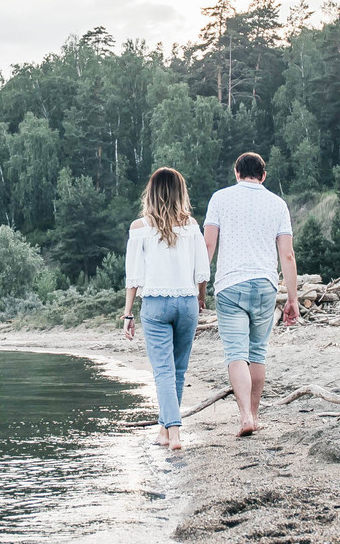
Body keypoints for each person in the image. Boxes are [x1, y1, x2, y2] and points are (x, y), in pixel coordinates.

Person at [204, 152, 299, 436]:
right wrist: (292, 298)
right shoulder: (278, 204)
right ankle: (255, 417)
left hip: (230, 285)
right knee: (257, 353)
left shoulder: (220, 199)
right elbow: (288, 254)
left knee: (236, 353)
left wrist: (198, 285)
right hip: (265, 285)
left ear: (236, 172)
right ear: (263, 175)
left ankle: (244, 415)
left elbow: (208, 246)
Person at [121, 166, 210, 449]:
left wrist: (128, 313)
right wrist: (201, 299)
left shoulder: (139, 228)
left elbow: (133, 276)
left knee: (163, 372)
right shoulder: (192, 226)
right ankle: (164, 430)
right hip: (187, 303)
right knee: (178, 371)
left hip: (156, 305)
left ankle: (174, 434)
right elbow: (202, 272)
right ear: (180, 193)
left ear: (151, 192)